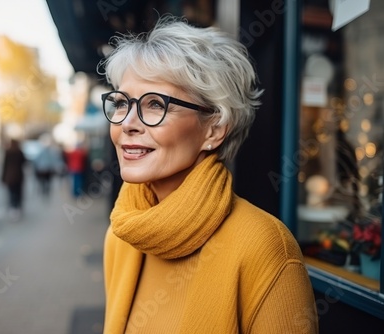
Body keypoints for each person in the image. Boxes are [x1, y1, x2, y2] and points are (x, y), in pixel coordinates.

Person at [99, 16, 318, 333]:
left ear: (214, 129)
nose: (127, 122)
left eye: (155, 104)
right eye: (121, 103)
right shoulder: (122, 233)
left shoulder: (265, 247)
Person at [1, 138, 26, 219]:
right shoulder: (20, 152)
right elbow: (24, 163)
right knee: (18, 193)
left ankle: (12, 208)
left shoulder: (8, 152)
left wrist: (3, 177)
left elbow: (4, 166)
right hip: (18, 176)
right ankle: (17, 208)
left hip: (10, 177)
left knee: (11, 193)